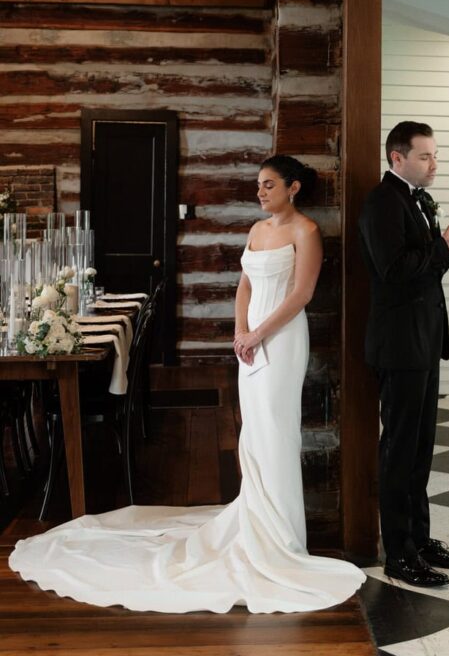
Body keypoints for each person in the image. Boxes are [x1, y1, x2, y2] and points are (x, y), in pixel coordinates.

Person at [10, 154, 365, 613]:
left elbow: (302, 294)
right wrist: (240, 331)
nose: (260, 192)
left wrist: (260, 333)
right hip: (250, 341)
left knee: (277, 430)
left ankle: (281, 538)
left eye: (269, 185)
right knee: (253, 432)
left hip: (282, 341)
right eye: (258, 184)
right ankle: (256, 517)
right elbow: (244, 286)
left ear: (293, 188)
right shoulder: (257, 232)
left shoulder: (306, 232)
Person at [359, 121, 449, 588]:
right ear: (398, 158)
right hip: (398, 343)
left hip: (423, 340)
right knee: (399, 449)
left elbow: (424, 270)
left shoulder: (415, 199)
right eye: (426, 156)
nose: (435, 164)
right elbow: (394, 273)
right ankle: (398, 553)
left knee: (421, 448)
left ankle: (420, 538)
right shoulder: (381, 203)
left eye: (434, 155)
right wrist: (442, 246)